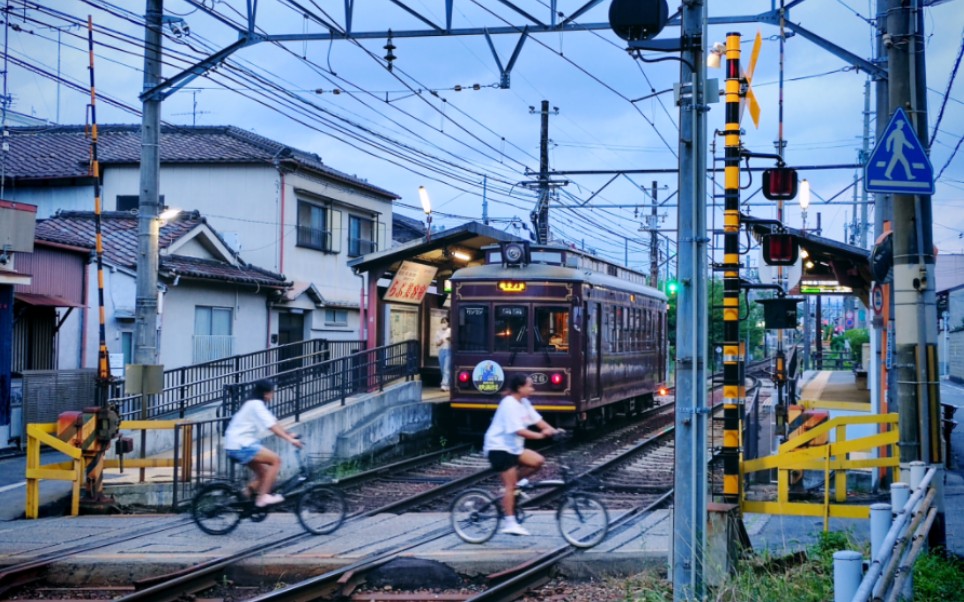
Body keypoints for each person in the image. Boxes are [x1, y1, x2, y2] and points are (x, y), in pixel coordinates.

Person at [482, 373, 560, 536]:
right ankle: (510, 523)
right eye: (530, 386)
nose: (533, 389)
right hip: (499, 448)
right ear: (520, 388)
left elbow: (538, 421)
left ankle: (511, 488)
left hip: (513, 448)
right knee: (510, 486)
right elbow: (519, 430)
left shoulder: (524, 402)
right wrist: (541, 436)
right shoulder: (509, 404)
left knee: (538, 461)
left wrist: (554, 431)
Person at [224, 379, 303, 507]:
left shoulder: (254, 404)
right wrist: (290, 440)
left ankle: (243, 498)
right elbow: (272, 426)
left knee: (264, 475)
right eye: (272, 392)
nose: (273, 395)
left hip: (237, 444)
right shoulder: (256, 405)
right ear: (266, 393)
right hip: (241, 445)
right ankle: (263, 498)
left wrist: (289, 434)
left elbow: (274, 422)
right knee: (276, 461)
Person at [436, 317, 452, 391]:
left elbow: (453, 340)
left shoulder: (450, 331)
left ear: (448, 323)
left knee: (446, 368)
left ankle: (444, 384)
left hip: (448, 350)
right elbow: (437, 343)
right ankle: (448, 384)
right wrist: (440, 342)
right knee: (442, 368)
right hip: (441, 351)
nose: (443, 323)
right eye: (442, 322)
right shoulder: (438, 332)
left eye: (445, 322)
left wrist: (449, 339)